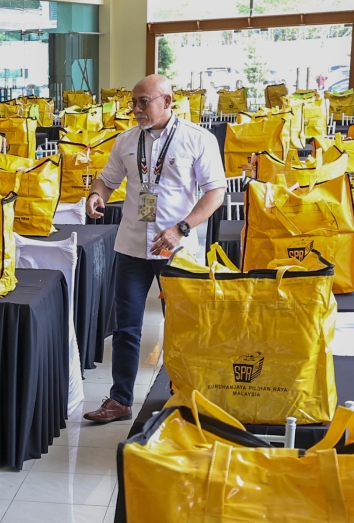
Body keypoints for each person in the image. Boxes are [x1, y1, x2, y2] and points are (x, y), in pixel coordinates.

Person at [83, 74, 226, 424]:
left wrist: (182, 228)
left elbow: (215, 193)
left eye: (144, 102)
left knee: (182, 328)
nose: (136, 109)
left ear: (167, 101)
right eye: (134, 102)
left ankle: (185, 396)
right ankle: (120, 400)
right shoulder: (126, 140)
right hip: (132, 245)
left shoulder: (197, 139)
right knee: (126, 327)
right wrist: (97, 194)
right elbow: (108, 179)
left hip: (175, 248)